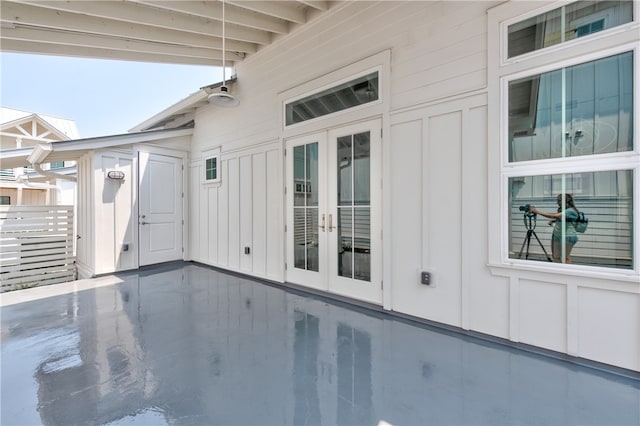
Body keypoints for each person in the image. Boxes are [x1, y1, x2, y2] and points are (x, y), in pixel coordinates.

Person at [530, 194, 580, 264]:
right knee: (556, 256)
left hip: (567, 236)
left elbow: (554, 216)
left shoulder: (570, 211)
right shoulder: (561, 209)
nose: (557, 202)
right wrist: (553, 221)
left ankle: (566, 272)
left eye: (559, 201)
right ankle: (558, 271)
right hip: (557, 235)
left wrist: (536, 211)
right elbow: (561, 218)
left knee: (565, 257)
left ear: (565, 201)